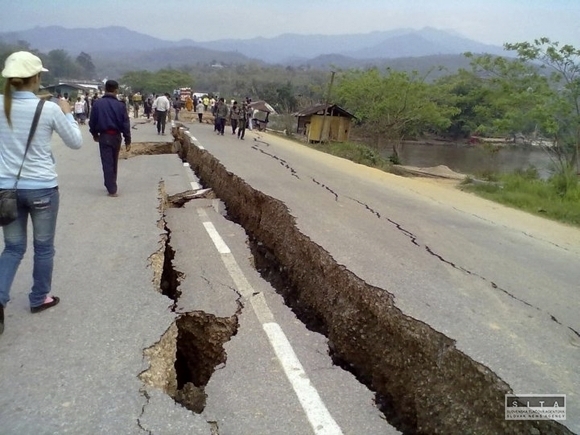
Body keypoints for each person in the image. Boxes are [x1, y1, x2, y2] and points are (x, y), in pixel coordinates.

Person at [0, 51, 82, 333]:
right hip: (42, 189)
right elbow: (75, 143)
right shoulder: (49, 109)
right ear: (35, 79)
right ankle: (39, 297)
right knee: (43, 247)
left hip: (7, 191)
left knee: (12, 248)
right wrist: (68, 115)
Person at [89, 80, 131, 197]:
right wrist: (128, 140)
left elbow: (92, 121)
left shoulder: (97, 104)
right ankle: (112, 184)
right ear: (116, 90)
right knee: (114, 160)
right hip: (116, 136)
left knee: (107, 161)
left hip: (104, 136)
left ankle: (111, 187)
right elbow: (125, 124)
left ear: (105, 89)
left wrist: (94, 134)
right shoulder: (120, 105)